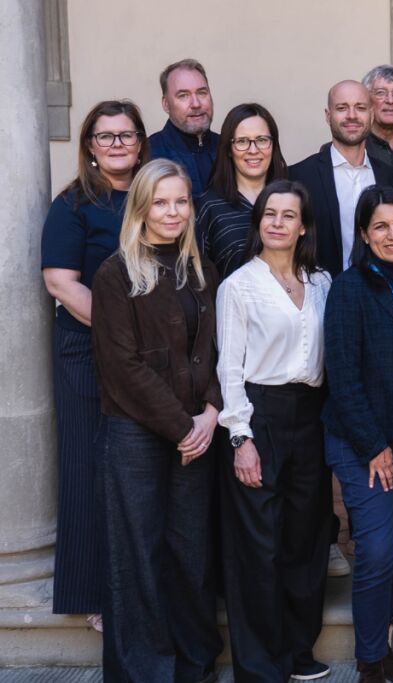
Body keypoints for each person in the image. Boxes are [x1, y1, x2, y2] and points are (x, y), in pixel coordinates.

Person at [91, 159, 221, 682]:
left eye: (181, 201)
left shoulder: (201, 268)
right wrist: (184, 426)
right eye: (161, 202)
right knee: (137, 559)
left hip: (196, 431)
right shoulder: (114, 273)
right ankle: (144, 673)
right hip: (137, 434)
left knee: (191, 555)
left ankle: (194, 666)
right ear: (142, 207)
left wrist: (210, 414)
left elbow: (214, 351)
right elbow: (123, 367)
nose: (172, 211)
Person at [216, 180, 334, 682]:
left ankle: (297, 652)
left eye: (289, 215)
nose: (278, 222)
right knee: (258, 546)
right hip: (258, 413)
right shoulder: (239, 285)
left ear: (303, 225)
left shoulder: (324, 282)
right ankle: (261, 666)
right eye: (270, 213)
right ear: (259, 221)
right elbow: (229, 369)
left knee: (305, 541)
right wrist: (241, 438)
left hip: (310, 415)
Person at [41, 100, 149, 632]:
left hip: (147, 352)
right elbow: (60, 282)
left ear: (140, 141)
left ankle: (137, 585)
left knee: (135, 469)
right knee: (89, 464)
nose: (116, 144)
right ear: (89, 146)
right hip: (87, 350)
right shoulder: (73, 204)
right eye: (105, 137)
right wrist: (119, 332)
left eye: (125, 135)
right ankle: (94, 595)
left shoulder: (155, 197)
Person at [322, 186, 393, 683]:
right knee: (377, 549)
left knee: (389, 546)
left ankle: (382, 646)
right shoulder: (349, 289)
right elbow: (343, 377)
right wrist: (375, 446)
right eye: (381, 227)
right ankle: (370, 660)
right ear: (365, 235)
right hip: (361, 441)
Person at [290, 80, 393, 277]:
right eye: (342, 108)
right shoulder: (299, 177)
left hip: (382, 293)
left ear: (371, 114)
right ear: (328, 115)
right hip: (321, 297)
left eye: (360, 108)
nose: (352, 116)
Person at [196, 102, 287, 278]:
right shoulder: (208, 206)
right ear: (229, 149)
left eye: (262, 140)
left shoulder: (292, 200)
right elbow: (198, 277)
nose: (253, 150)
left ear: (273, 144)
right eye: (242, 141)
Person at [149, 58, 219, 193]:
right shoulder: (149, 154)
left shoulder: (229, 149)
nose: (196, 104)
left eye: (202, 93)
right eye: (183, 96)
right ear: (166, 104)